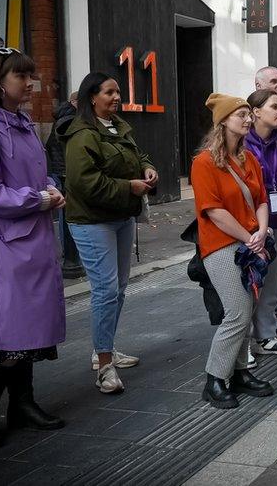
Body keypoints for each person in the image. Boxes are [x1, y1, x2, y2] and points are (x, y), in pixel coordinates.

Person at [0, 48, 66, 447]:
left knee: (29, 329)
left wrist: (51, 189)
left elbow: (36, 173)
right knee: (8, 333)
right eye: (21, 76)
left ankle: (23, 403)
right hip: (4, 243)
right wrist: (38, 199)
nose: (29, 83)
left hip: (31, 238)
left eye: (30, 75)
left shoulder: (20, 122)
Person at [59, 72, 158, 394]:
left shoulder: (117, 127)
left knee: (119, 288)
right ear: (92, 97)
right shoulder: (82, 134)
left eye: (118, 92)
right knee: (105, 291)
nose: (116, 97)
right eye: (110, 92)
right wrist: (128, 187)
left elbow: (135, 155)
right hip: (92, 222)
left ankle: (105, 347)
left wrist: (146, 167)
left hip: (121, 217)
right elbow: (83, 183)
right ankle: (104, 366)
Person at [192, 93, 275, 409]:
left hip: (251, 242)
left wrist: (262, 232)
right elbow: (213, 211)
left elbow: (262, 199)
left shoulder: (249, 158)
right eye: (241, 114)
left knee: (248, 308)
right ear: (223, 121)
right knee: (238, 312)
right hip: (222, 245)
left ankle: (239, 373)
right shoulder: (203, 163)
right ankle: (214, 379)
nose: (248, 118)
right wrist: (249, 237)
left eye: (248, 114)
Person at [244, 89, 277, 356]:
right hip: (251, 225)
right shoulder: (243, 144)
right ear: (256, 112)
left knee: (274, 279)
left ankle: (265, 335)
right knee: (251, 281)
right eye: (274, 107)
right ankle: (242, 344)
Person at [45, 91, 77, 255]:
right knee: (67, 213)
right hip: (65, 171)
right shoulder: (70, 120)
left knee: (66, 212)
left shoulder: (62, 117)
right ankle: (70, 254)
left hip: (60, 169)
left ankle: (69, 252)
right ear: (74, 102)